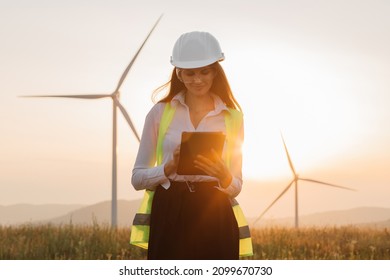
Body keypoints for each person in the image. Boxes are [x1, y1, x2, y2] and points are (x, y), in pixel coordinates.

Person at [130, 31, 252, 260]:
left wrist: (224, 176)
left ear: (215, 71)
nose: (198, 79)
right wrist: (167, 167)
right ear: (179, 73)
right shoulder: (159, 113)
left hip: (215, 213)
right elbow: (137, 178)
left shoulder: (234, 118)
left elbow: (236, 185)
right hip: (170, 212)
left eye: (204, 71)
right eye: (190, 73)